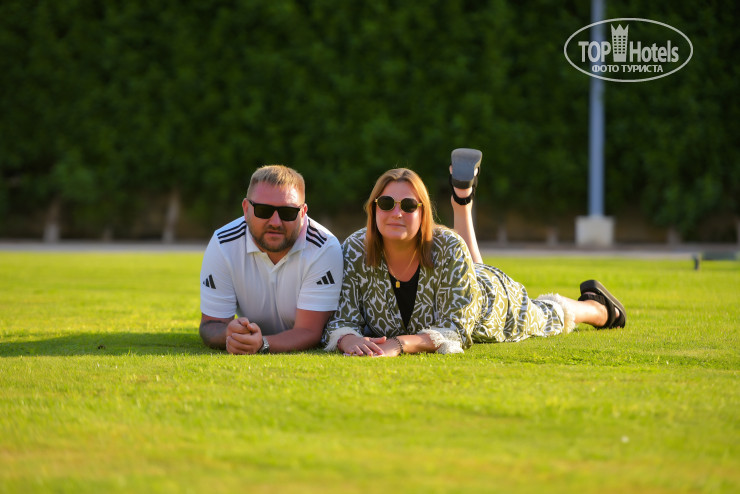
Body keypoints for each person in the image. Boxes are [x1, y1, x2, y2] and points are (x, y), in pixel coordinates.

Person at [323, 149, 626, 356]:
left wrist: (399, 344)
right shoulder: (354, 248)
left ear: (423, 213)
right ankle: (463, 199)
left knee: (545, 316)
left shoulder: (449, 246)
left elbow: (455, 329)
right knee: (468, 263)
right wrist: (347, 340)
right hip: (465, 274)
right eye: (387, 204)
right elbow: (340, 319)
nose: (396, 213)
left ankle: (599, 309)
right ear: (374, 208)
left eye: (409, 205)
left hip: (492, 302)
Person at [200, 164, 343, 354]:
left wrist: (262, 344)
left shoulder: (324, 247)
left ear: (303, 213)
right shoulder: (223, 243)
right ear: (246, 209)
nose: (275, 222)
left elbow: (309, 331)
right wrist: (230, 333)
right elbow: (211, 324)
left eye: (288, 212)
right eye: (263, 210)